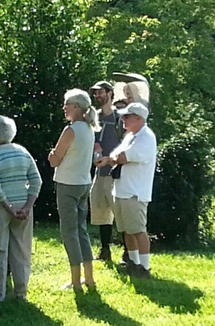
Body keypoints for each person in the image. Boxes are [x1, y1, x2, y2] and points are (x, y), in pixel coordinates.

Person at [97, 102, 158, 278]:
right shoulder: (130, 135)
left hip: (135, 192)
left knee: (138, 230)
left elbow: (122, 157)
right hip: (122, 190)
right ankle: (133, 263)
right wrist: (110, 159)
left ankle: (145, 268)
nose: (123, 119)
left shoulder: (146, 137)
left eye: (127, 116)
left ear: (139, 118)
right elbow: (117, 154)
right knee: (126, 230)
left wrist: (112, 158)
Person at [0, 116, 42, 302]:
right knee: (22, 249)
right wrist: (27, 206)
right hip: (23, 205)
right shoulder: (22, 152)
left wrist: (8, 207)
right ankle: (21, 292)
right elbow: (36, 181)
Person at [49, 89, 99, 290]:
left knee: (69, 232)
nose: (64, 108)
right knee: (81, 230)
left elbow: (55, 160)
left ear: (77, 107)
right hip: (84, 183)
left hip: (67, 184)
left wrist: (52, 154)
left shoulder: (71, 130)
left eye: (67, 104)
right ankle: (89, 277)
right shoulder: (89, 129)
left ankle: (75, 280)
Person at [89, 80, 120, 261]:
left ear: (110, 93)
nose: (98, 96)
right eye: (95, 93)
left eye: (100, 92)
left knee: (119, 213)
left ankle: (128, 252)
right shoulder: (94, 118)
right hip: (99, 172)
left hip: (116, 173)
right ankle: (105, 249)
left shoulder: (119, 118)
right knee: (101, 212)